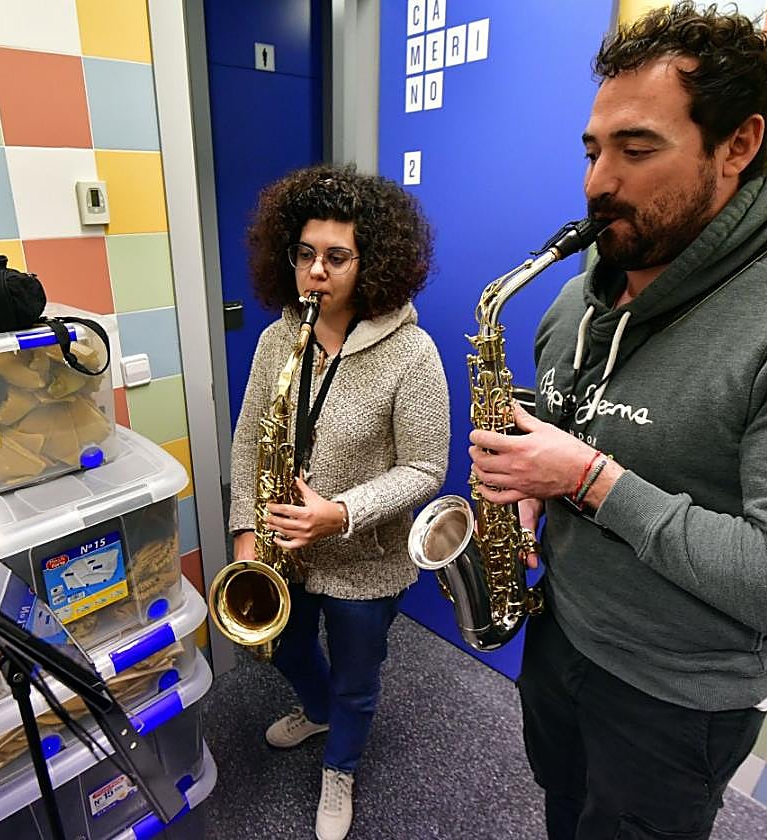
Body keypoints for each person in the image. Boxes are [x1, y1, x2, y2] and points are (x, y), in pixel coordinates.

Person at [467, 5, 767, 839]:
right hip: (561, 638)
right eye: (594, 151)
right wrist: (533, 480)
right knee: (565, 813)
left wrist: (587, 479)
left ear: (738, 145)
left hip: (676, 701)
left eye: (637, 150)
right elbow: (579, 425)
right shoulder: (573, 298)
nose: (600, 181)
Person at [228, 163, 448, 840]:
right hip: (283, 555)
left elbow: (426, 467)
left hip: (364, 561)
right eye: (304, 255)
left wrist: (341, 512)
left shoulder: (413, 353)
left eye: (336, 257)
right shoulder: (276, 339)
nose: (315, 272)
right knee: (285, 652)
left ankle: (341, 764)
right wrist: (245, 534)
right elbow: (246, 443)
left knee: (359, 678)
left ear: (371, 262)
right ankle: (317, 710)